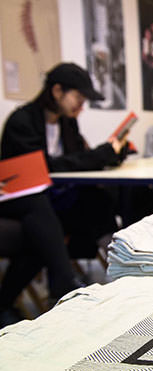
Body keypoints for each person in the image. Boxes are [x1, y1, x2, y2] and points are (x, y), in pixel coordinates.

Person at [0, 62, 128, 323]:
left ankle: (122, 271)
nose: (81, 107)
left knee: (98, 200)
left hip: (50, 201)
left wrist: (111, 154)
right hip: (17, 198)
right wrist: (95, 156)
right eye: (79, 98)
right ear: (57, 91)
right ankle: (63, 282)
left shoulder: (68, 124)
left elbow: (76, 160)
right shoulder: (21, 121)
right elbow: (41, 169)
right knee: (40, 213)